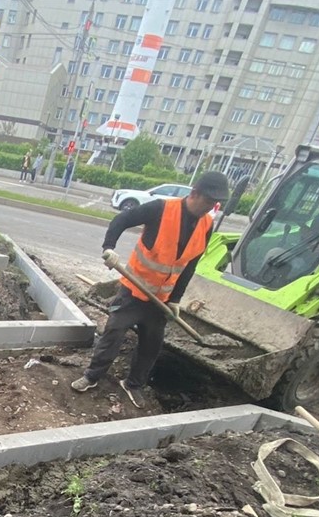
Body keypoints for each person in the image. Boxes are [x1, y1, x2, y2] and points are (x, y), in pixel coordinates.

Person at [70, 170, 231, 408]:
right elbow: (120, 220)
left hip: (161, 299)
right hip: (134, 290)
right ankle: (92, 376)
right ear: (195, 193)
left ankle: (133, 384)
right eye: (208, 201)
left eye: (214, 203)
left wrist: (175, 299)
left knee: (152, 343)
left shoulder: (206, 225)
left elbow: (190, 264)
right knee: (114, 331)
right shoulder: (161, 209)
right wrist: (109, 247)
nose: (210, 207)